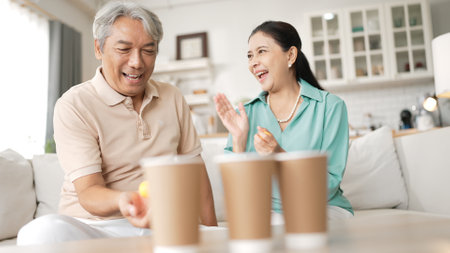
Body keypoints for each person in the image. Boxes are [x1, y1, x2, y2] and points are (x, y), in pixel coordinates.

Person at [17, 1, 217, 245]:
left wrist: (212, 234)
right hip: (96, 227)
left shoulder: (172, 96)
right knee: (38, 234)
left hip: (161, 222)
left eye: (148, 50)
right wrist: (125, 200)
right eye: (124, 49)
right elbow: (89, 191)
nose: (137, 62)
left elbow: (196, 173)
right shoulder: (74, 104)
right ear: (98, 49)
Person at [214, 21, 353, 221]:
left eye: (261, 51)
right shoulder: (246, 114)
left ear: (290, 55)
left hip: (323, 208)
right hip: (269, 214)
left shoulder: (329, 107)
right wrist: (238, 142)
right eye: (250, 55)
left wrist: (279, 155)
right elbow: (236, 195)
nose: (253, 62)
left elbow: (328, 185)